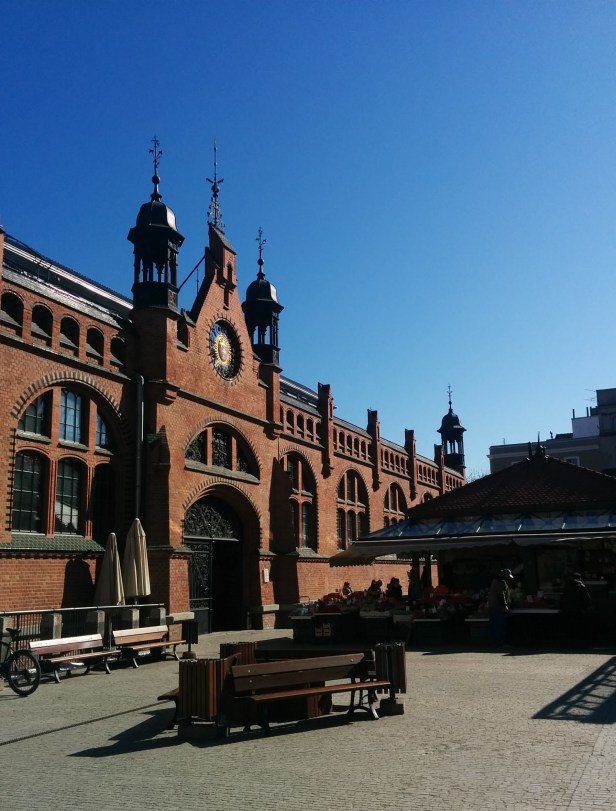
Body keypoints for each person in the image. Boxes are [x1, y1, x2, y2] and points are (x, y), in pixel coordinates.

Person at [560, 572, 591, 648]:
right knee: (579, 628)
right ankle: (578, 644)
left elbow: (563, 598)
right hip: (578, 611)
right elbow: (587, 599)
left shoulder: (567, 586)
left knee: (570, 627)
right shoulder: (581, 586)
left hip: (567, 611)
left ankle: (570, 644)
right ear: (580, 578)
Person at [487, 568, 514, 647]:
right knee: (500, 625)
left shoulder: (494, 581)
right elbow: (501, 595)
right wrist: (505, 606)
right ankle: (500, 642)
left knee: (494, 625)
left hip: (492, 606)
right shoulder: (501, 582)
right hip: (498, 607)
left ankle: (494, 642)